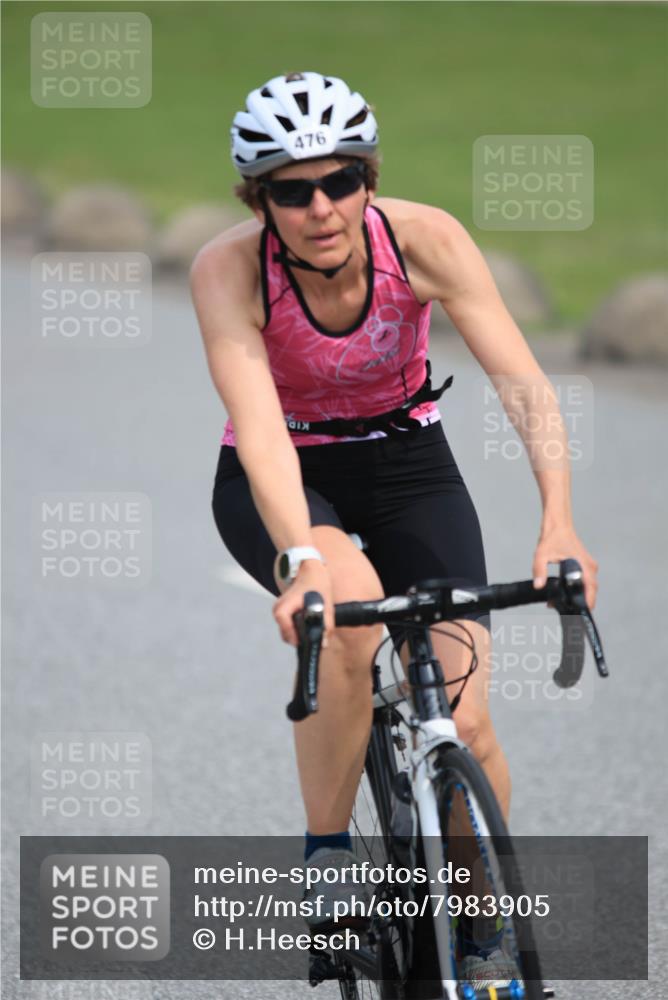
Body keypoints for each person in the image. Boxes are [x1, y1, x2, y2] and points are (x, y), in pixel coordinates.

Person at [191, 71, 598, 985]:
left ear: (368, 179)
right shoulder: (228, 269)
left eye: (340, 181)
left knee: (471, 720)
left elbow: (524, 385)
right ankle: (329, 859)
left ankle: (483, 927)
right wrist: (299, 561)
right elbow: (258, 428)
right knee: (347, 612)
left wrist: (559, 523)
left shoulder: (424, 241)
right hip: (286, 472)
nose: (320, 207)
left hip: (410, 464)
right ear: (261, 202)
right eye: (292, 192)